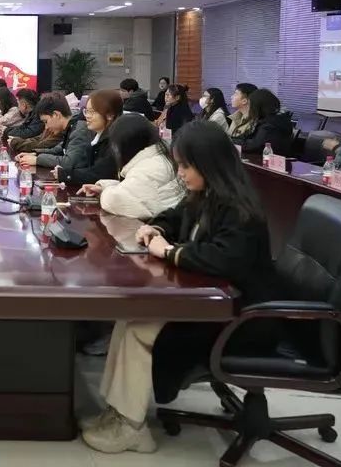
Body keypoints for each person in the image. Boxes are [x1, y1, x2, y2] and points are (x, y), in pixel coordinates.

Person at [81, 121, 278, 455]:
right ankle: (117, 412)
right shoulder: (206, 195)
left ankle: (132, 427)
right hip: (215, 304)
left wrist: (171, 252)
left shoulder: (239, 211)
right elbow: (174, 215)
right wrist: (156, 228)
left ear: (209, 164)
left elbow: (222, 259)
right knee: (128, 318)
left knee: (139, 328)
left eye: (186, 166)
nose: (181, 174)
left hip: (242, 319)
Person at [76, 114, 184, 220]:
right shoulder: (157, 158)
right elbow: (136, 188)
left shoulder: (146, 169)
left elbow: (115, 201)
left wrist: (104, 193)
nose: (87, 115)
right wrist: (104, 187)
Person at [55, 89, 123, 186]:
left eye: (92, 112)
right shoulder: (97, 136)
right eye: (86, 111)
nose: (87, 116)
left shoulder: (114, 141)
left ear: (110, 115)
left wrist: (65, 174)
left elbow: (99, 174)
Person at [16, 92, 92, 172]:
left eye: (46, 121)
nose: (46, 127)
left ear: (56, 115)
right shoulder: (71, 126)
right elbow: (57, 150)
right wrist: (35, 154)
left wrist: (37, 160)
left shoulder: (79, 130)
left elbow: (69, 162)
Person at [232, 88, 293, 156]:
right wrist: (232, 140)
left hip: (272, 160)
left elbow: (254, 145)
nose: (249, 108)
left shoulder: (271, 124)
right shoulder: (272, 119)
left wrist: (230, 141)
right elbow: (249, 137)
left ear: (258, 106)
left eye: (250, 105)